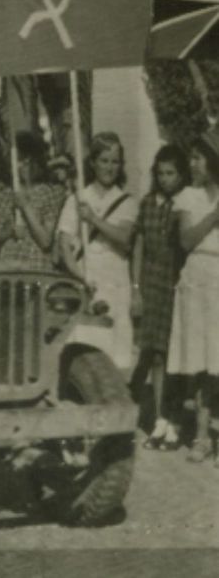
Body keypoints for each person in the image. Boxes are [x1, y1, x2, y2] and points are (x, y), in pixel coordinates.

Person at [58, 132, 139, 372]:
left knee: (118, 357)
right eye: (104, 160)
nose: (109, 167)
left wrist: (93, 219)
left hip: (116, 284)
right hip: (87, 284)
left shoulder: (126, 202)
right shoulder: (78, 199)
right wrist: (80, 277)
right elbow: (65, 246)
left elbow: (124, 239)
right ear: (93, 162)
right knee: (87, 355)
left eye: (115, 162)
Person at [131, 144, 189, 450]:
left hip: (177, 284)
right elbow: (139, 246)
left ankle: (174, 420)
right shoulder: (147, 204)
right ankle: (158, 420)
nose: (166, 179)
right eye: (161, 173)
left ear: (181, 176)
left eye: (172, 173)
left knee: (176, 356)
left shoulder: (184, 204)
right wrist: (136, 289)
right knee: (154, 354)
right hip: (151, 284)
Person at [166, 129, 219, 464]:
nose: (193, 163)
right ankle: (201, 436)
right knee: (202, 362)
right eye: (192, 157)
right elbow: (185, 241)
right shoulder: (187, 197)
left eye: (199, 157)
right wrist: (214, 216)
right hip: (198, 278)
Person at [0, 132, 66, 269]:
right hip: (9, 264)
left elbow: (45, 241)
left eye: (28, 160)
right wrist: (10, 232)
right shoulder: (7, 193)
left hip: (35, 265)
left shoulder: (52, 192)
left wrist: (25, 206)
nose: (24, 165)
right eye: (20, 160)